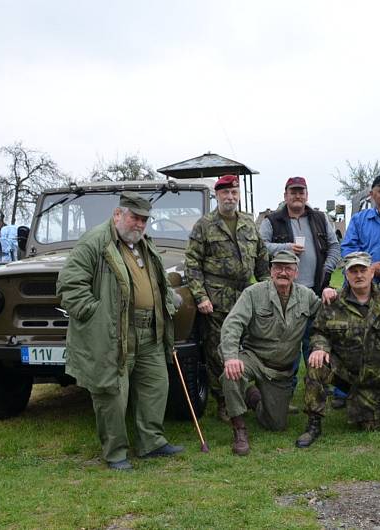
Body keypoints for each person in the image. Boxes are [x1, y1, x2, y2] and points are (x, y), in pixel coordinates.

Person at [56, 192, 183, 471]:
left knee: (156, 385)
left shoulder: (144, 245)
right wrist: (96, 316)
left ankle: (152, 442)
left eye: (144, 220)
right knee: (111, 393)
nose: (139, 224)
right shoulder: (95, 241)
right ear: (118, 214)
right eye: (134, 217)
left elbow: (153, 280)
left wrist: (167, 296)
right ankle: (116, 453)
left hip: (149, 330)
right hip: (114, 332)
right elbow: (69, 286)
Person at [219, 250, 335, 455]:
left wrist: (330, 293)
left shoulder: (306, 296)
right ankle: (239, 428)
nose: (283, 272)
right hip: (254, 358)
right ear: (271, 271)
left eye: (288, 268)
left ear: (296, 273)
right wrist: (230, 358)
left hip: (280, 370)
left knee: (276, 424)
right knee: (231, 374)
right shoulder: (253, 293)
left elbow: (325, 318)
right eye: (278, 267)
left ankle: (252, 397)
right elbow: (232, 325)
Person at [295, 252, 380, 448]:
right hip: (343, 372)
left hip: (374, 377)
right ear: (346, 275)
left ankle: (358, 401)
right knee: (317, 363)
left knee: (369, 426)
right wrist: (320, 348)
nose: (358, 275)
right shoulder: (334, 301)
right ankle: (313, 424)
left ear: (371, 272)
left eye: (362, 270)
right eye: (353, 271)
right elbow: (319, 332)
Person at [185, 174, 270, 422]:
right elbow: (192, 263)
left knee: (249, 346)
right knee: (218, 351)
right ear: (217, 195)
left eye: (234, 193)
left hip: (245, 297)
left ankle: (252, 392)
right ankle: (223, 400)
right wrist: (201, 296)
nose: (230, 197)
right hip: (216, 299)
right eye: (225, 193)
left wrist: (266, 289)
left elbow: (262, 259)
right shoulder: (205, 225)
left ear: (238, 195)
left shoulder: (248, 223)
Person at [259, 176, 341, 398]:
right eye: (293, 191)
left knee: (316, 340)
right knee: (287, 347)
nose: (297, 195)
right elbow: (260, 248)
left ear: (307, 194)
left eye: (301, 191)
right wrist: (285, 247)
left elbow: (334, 247)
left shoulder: (320, 219)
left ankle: (321, 388)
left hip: (314, 291)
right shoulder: (271, 221)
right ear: (285, 195)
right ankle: (286, 391)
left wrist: (326, 270)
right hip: (284, 295)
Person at [341, 173, 380, 282]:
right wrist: (369, 268)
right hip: (365, 285)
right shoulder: (358, 220)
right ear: (372, 194)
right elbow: (348, 250)